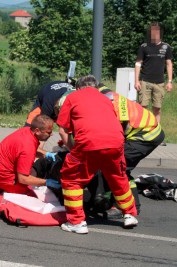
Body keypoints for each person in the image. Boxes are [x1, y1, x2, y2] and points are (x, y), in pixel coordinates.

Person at [56, 75, 138, 234]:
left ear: (78, 88)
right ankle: (129, 214)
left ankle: (77, 222)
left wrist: (73, 150)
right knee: (118, 177)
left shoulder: (72, 97)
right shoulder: (106, 99)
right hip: (115, 142)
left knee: (71, 178)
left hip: (89, 143)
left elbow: (63, 131)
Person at [93, 82, 165, 215]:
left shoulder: (111, 103)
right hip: (145, 132)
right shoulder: (105, 93)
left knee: (118, 167)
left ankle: (126, 207)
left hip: (145, 135)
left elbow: (121, 128)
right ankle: (118, 204)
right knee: (122, 168)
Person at [25, 80, 75, 160]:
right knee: (30, 134)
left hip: (61, 103)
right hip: (46, 100)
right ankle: (34, 158)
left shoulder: (77, 100)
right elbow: (43, 128)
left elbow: (70, 131)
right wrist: (43, 152)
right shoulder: (48, 103)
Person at [134, 22, 173, 124]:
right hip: (145, 82)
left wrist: (169, 81)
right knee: (143, 108)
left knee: (157, 109)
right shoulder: (144, 47)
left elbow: (169, 64)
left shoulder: (166, 47)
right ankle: (143, 132)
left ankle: (156, 134)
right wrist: (136, 81)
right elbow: (138, 63)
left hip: (159, 83)